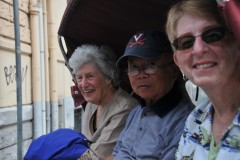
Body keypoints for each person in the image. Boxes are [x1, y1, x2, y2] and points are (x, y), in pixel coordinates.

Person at [166, 0, 240, 159]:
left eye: (213, 35)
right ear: (178, 62)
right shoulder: (196, 118)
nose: (198, 49)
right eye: (186, 42)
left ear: (237, 44)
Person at [112, 30, 195, 159]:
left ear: (173, 70)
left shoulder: (184, 120)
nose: (141, 75)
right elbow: (116, 154)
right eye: (133, 67)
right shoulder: (136, 112)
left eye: (151, 65)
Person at [69, 44, 138, 160]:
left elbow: (98, 156)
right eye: (79, 78)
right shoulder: (92, 103)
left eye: (90, 76)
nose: (83, 84)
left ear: (108, 78)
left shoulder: (124, 107)